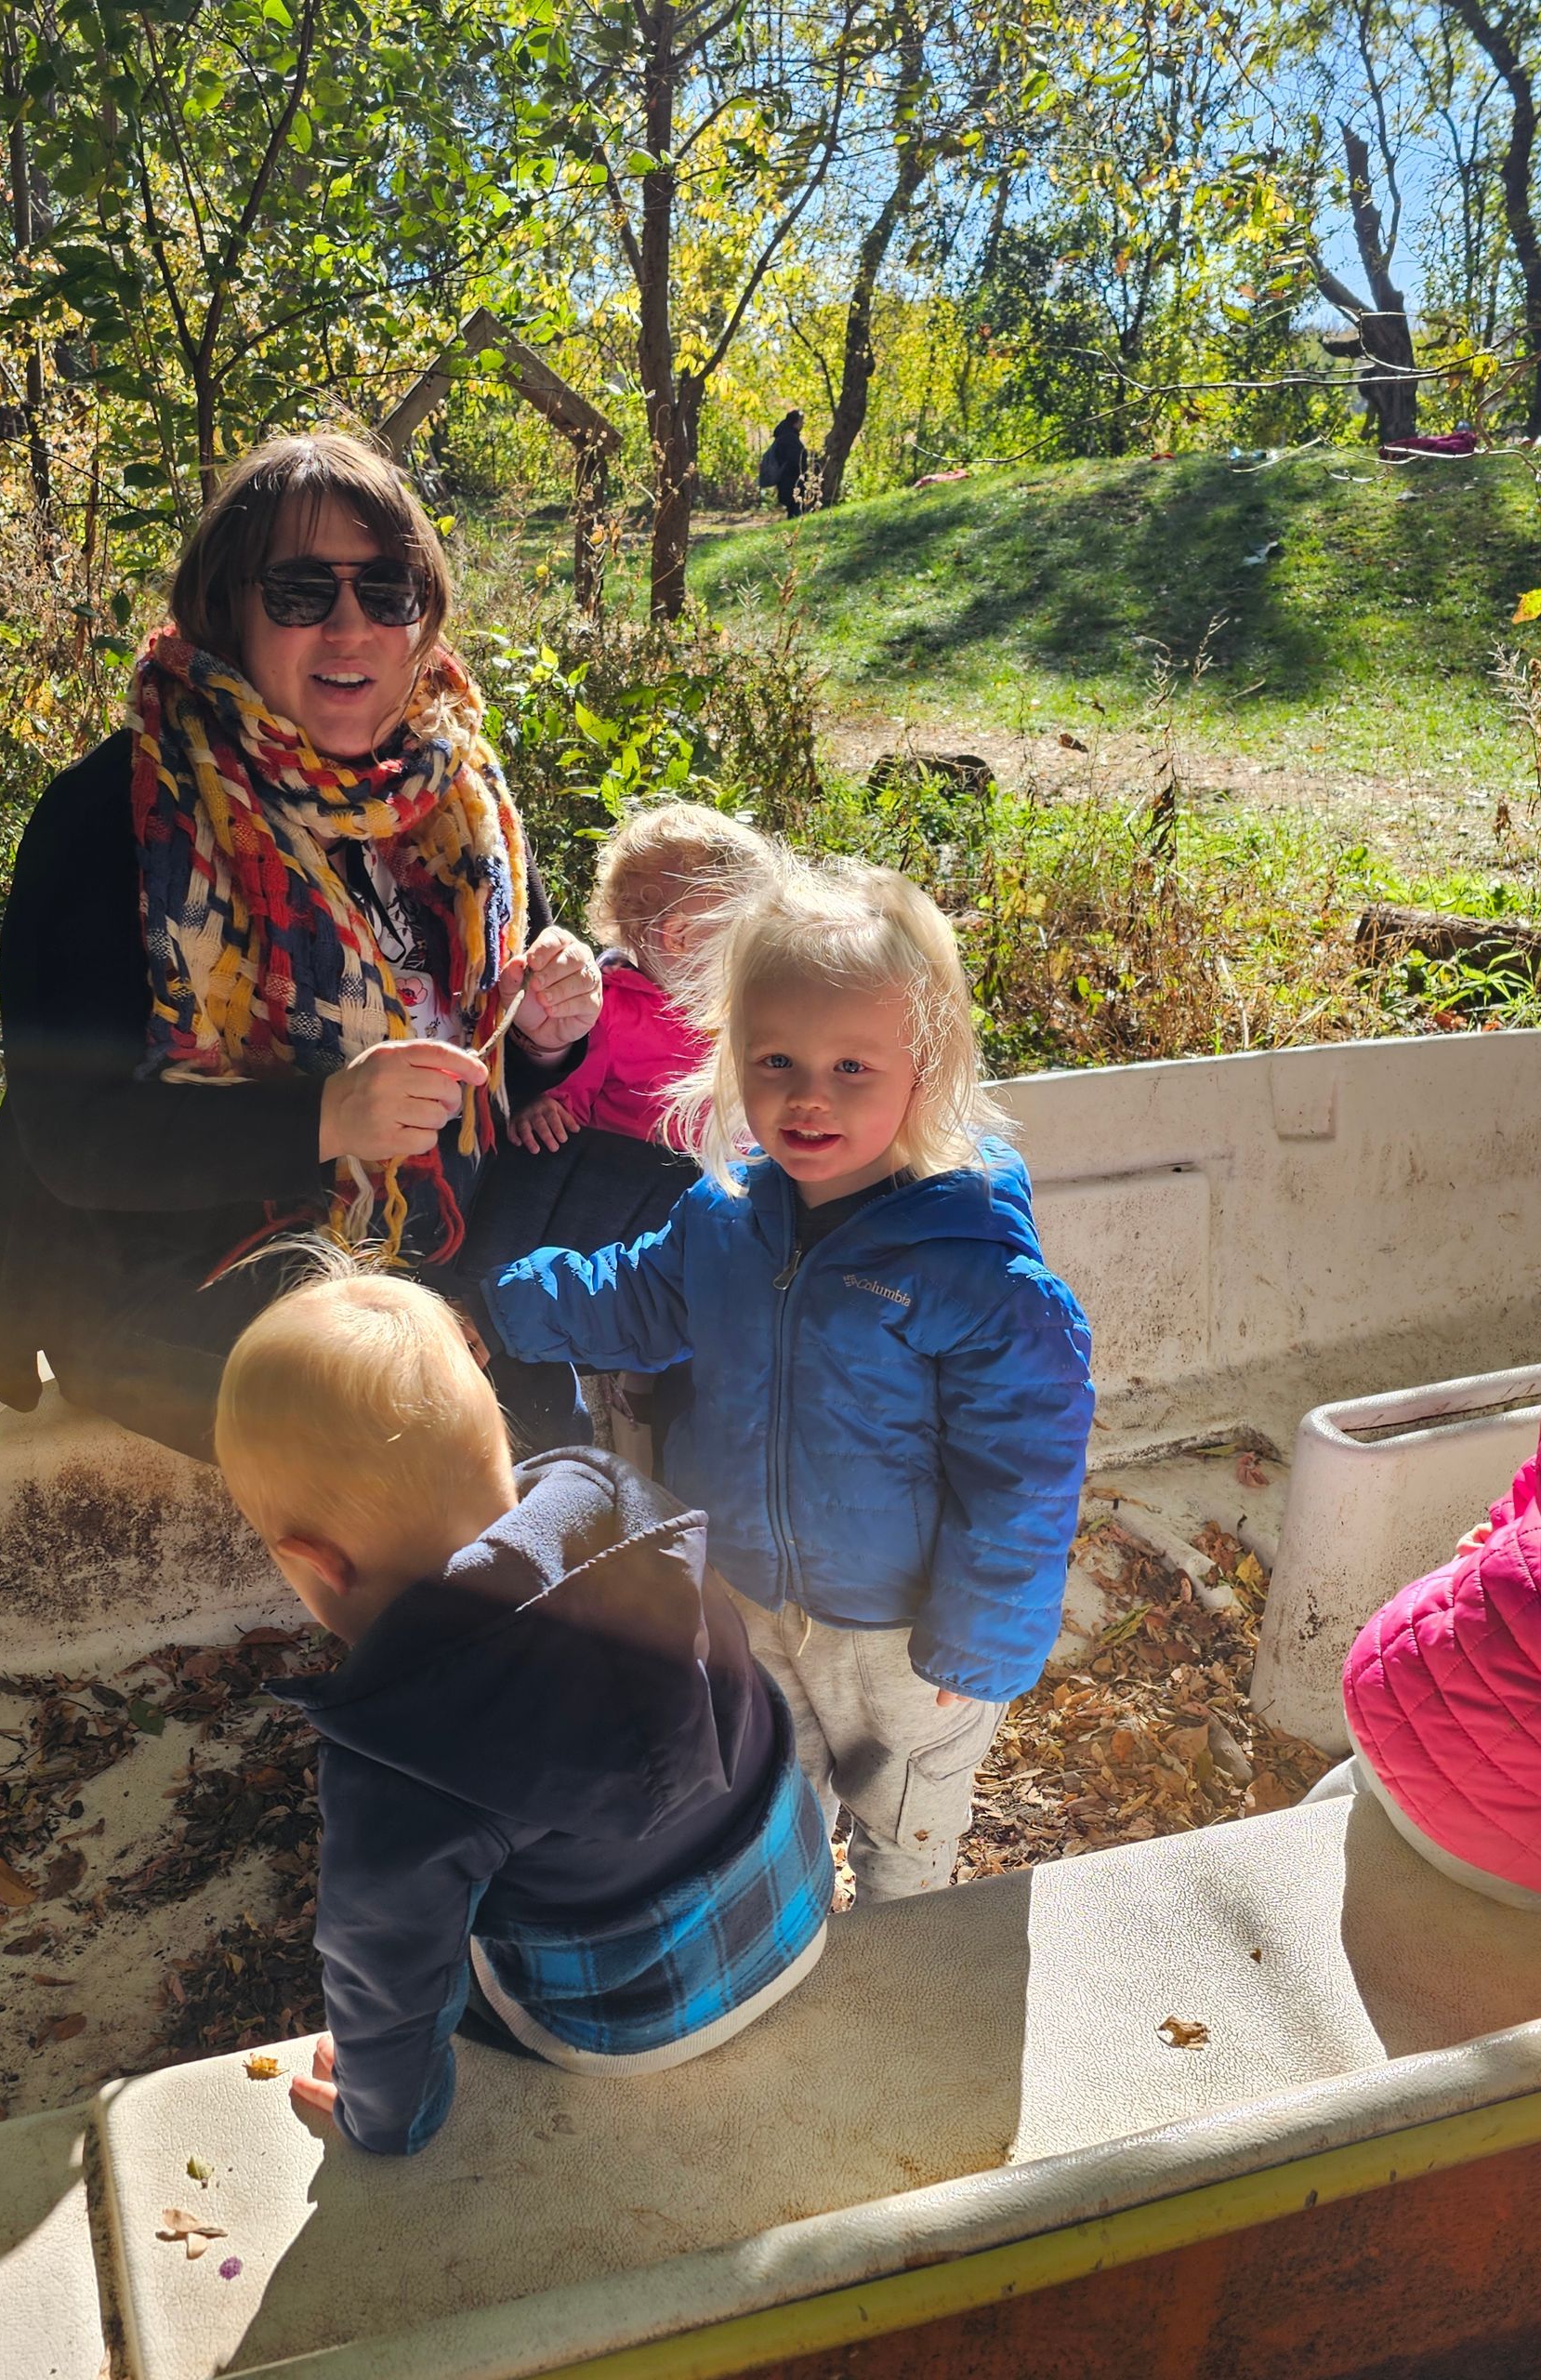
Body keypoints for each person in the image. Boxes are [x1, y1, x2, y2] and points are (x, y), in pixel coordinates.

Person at [0, 430, 603, 1462]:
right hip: (170, 1264)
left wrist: (549, 1036)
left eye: (387, 590)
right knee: (412, 1436)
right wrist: (328, 1115)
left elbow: (502, 1063)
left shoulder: (461, 803)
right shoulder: (116, 815)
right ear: (226, 610)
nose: (350, 625)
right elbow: (73, 1140)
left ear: (423, 617)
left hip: (424, 1233)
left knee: (555, 1394)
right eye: (300, 591)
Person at [478, 854, 1096, 1900]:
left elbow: (1025, 1473)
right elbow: (634, 1298)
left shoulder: (974, 1270)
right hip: (750, 1598)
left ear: (925, 1068)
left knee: (907, 1814)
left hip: (906, 1636)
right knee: (772, 1795)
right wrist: (500, 1305)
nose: (808, 1097)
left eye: (852, 1067)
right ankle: (792, 1928)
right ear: (730, 1053)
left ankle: (909, 1948)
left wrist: (980, 1640)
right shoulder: (725, 1216)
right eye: (776, 1060)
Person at [214, 1263, 836, 2156]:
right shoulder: (631, 1513)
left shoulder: (401, 1742)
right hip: (792, 1905)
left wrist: (384, 2118)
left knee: (440, 1930)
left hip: (621, 2018)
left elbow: (388, 1968)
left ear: (319, 1563)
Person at [1304, 1429, 1541, 1910]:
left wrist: (1501, 1536)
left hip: (1392, 1691)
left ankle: (1284, 1845)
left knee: (1364, 1784)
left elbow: (1529, 1490)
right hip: (1504, 1843)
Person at [509, 800, 772, 1159]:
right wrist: (539, 1108)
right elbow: (560, 1103)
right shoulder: (608, 1012)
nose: (759, 953)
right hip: (642, 1180)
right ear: (679, 937)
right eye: (748, 937)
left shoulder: (739, 1008)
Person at [757, 410, 810, 519]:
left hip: (785, 480)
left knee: (793, 510)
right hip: (792, 480)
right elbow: (794, 460)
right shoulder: (789, 438)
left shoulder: (784, 435)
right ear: (796, 422)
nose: (803, 424)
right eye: (801, 421)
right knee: (796, 510)